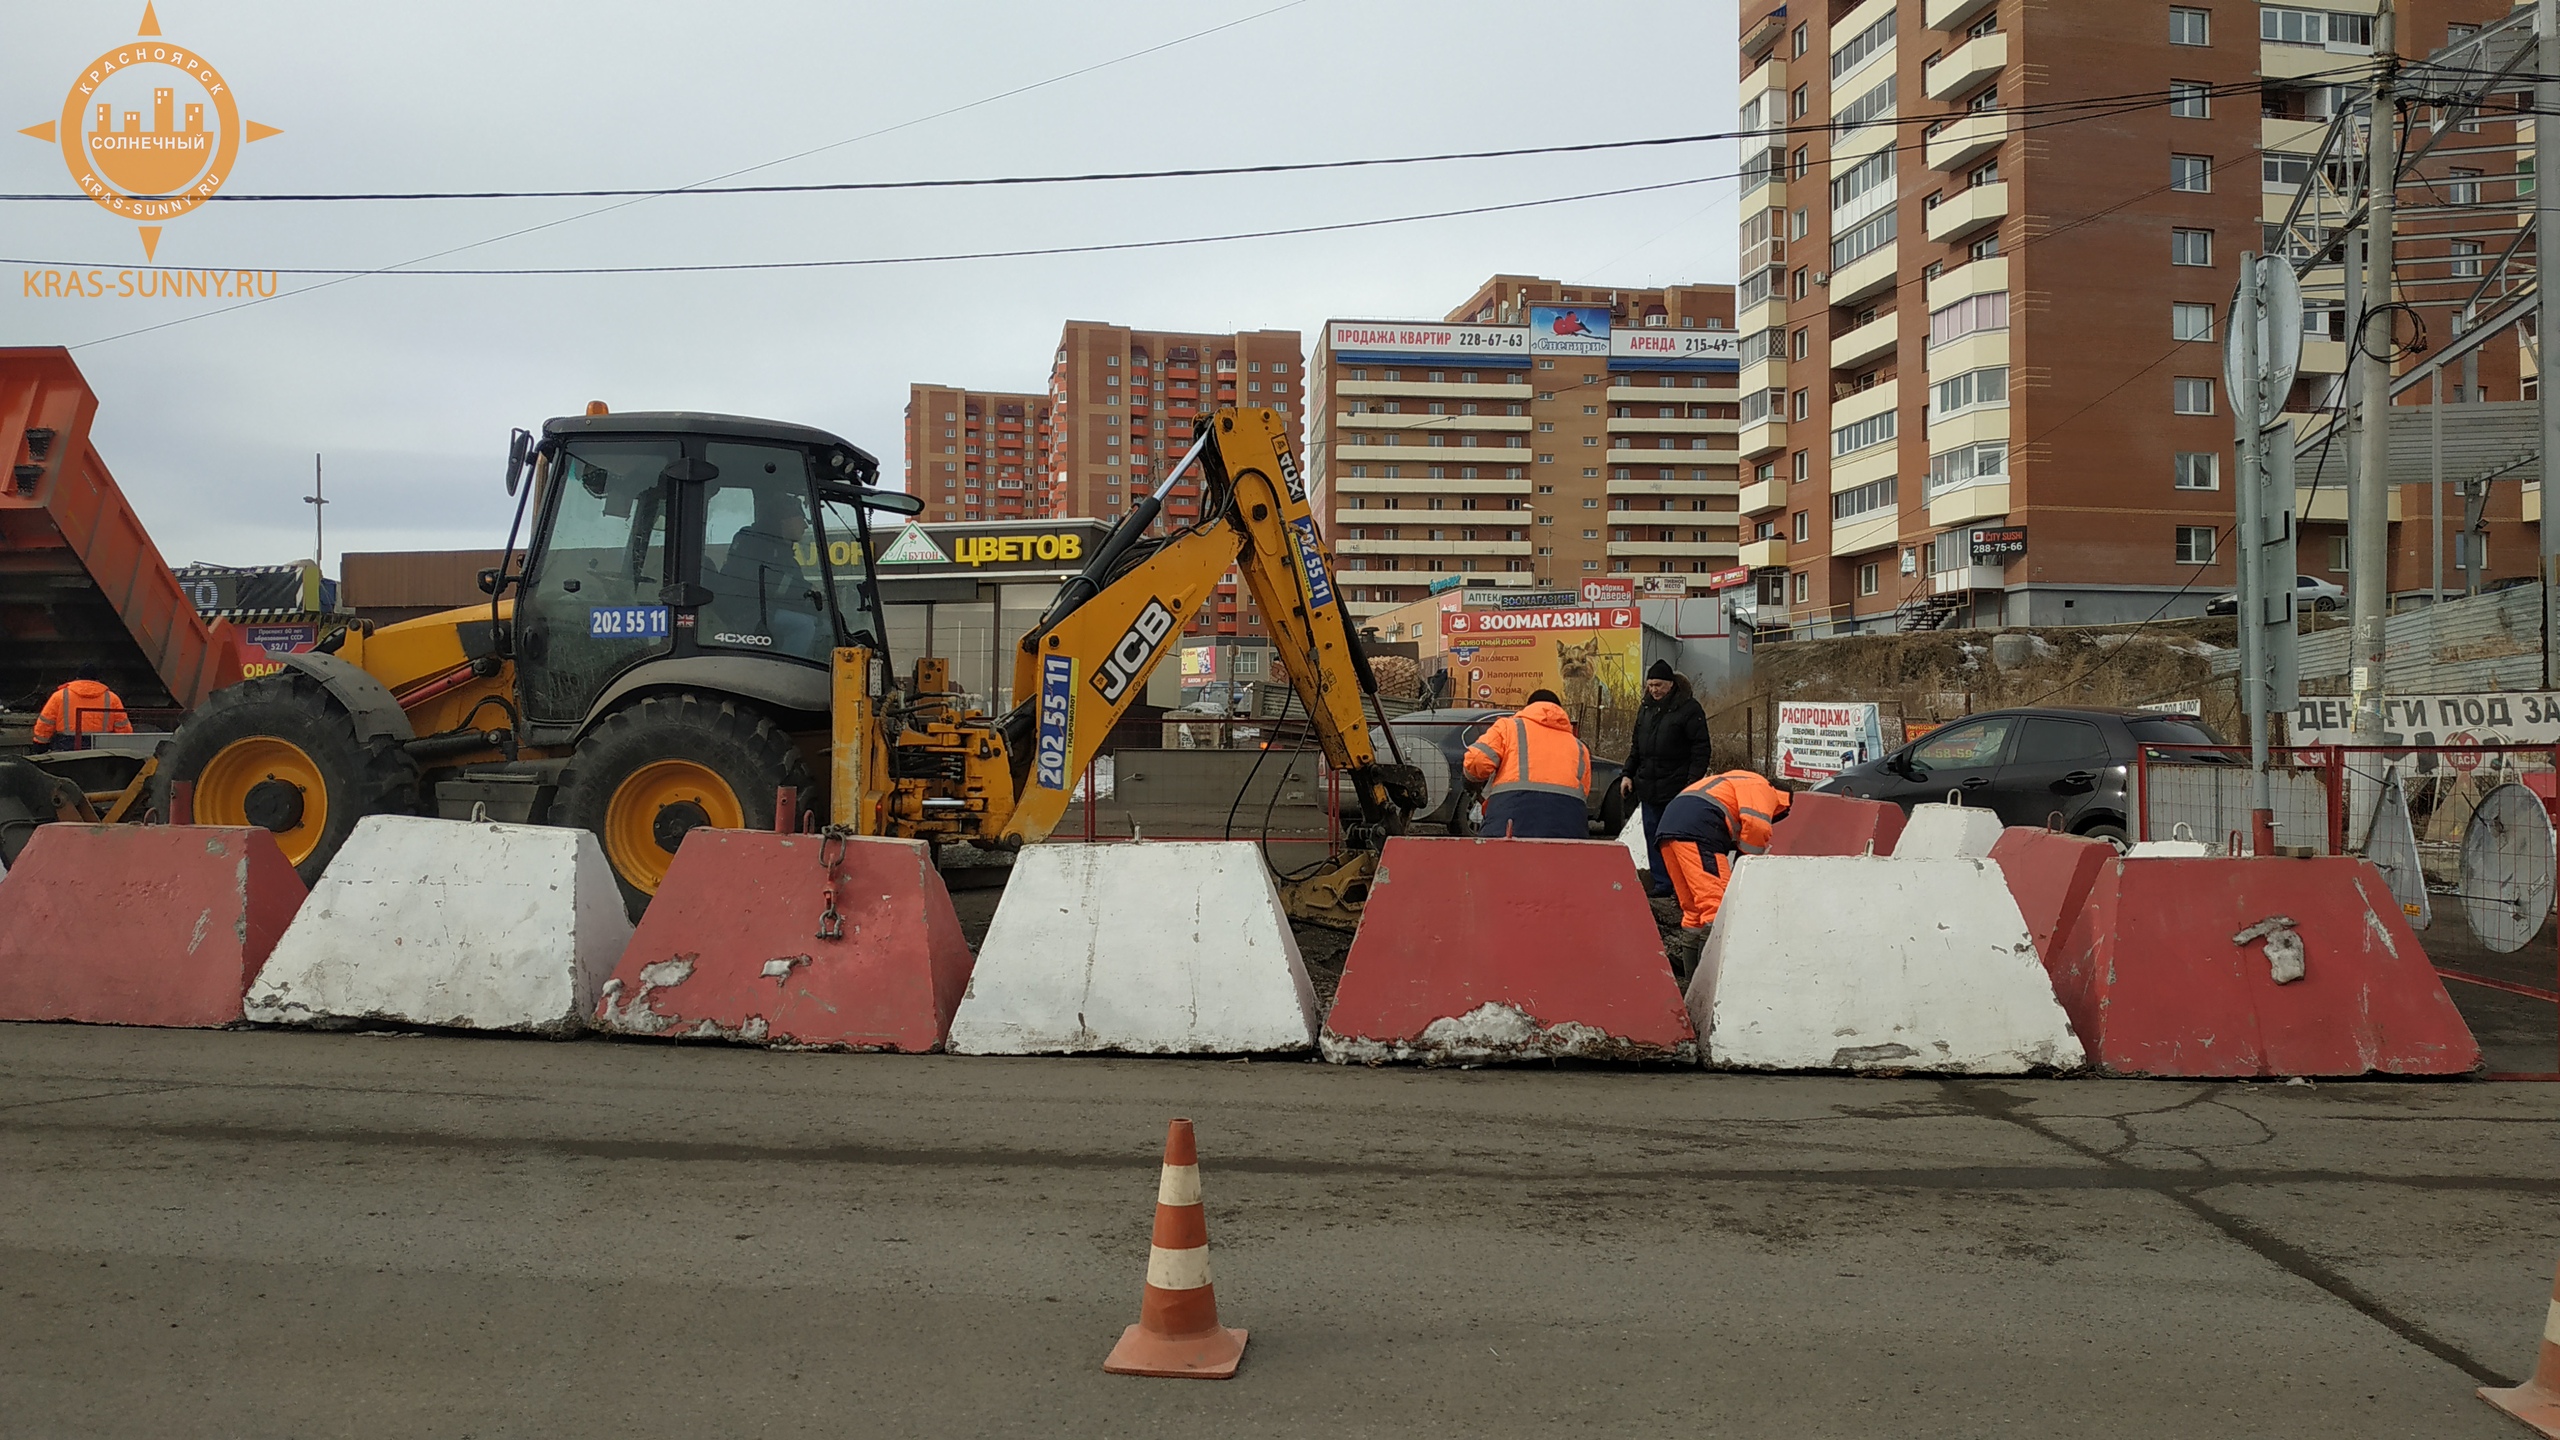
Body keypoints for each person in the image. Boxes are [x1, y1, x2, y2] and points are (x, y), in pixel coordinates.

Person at [1654, 768, 1791, 971]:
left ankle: (1693, 983)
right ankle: (1708, 984)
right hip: (1700, 830)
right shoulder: (1764, 789)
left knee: (1693, 910)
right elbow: (1757, 826)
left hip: (1670, 827)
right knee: (1716, 908)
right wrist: (1747, 864)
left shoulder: (1736, 781)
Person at [1617, 659, 1714, 896]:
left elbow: (1701, 749)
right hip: (1648, 787)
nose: (1654, 690)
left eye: (1658, 685)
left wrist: (1692, 783)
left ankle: (1683, 883)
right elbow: (1636, 747)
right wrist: (1627, 774)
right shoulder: (1645, 709)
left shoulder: (1689, 709)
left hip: (1677, 788)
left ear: (1670, 684)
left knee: (1677, 838)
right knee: (1652, 834)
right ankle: (1662, 883)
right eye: (1650, 685)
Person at [1461, 688, 1592, 840]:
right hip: (1568, 824)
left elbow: (1477, 760)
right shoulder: (1580, 747)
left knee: (1497, 862)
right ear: (1559, 711)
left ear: (1529, 707)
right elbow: (1584, 792)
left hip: (1511, 817)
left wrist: (1471, 781)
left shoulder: (1508, 727)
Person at [31, 663, 133, 751]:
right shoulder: (112, 698)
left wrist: (40, 745)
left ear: (77, 677)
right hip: (102, 748)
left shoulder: (60, 696)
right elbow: (123, 729)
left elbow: (46, 723)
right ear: (97, 679)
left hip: (67, 746)